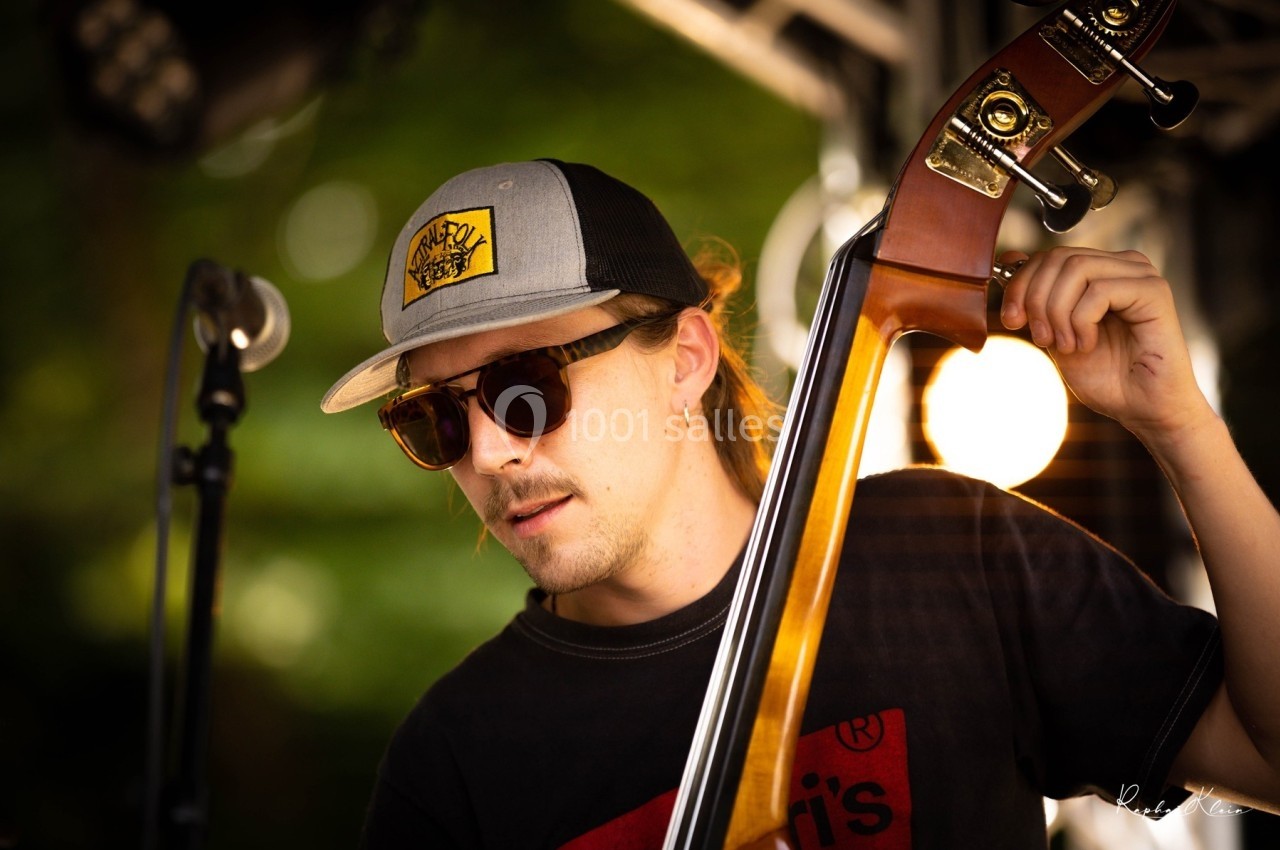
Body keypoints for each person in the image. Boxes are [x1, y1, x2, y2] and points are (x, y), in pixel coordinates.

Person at [322, 159, 1280, 848]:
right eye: (434, 419)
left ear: (685, 358)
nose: (490, 451)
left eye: (523, 387)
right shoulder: (456, 761)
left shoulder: (949, 557)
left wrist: (1180, 426)